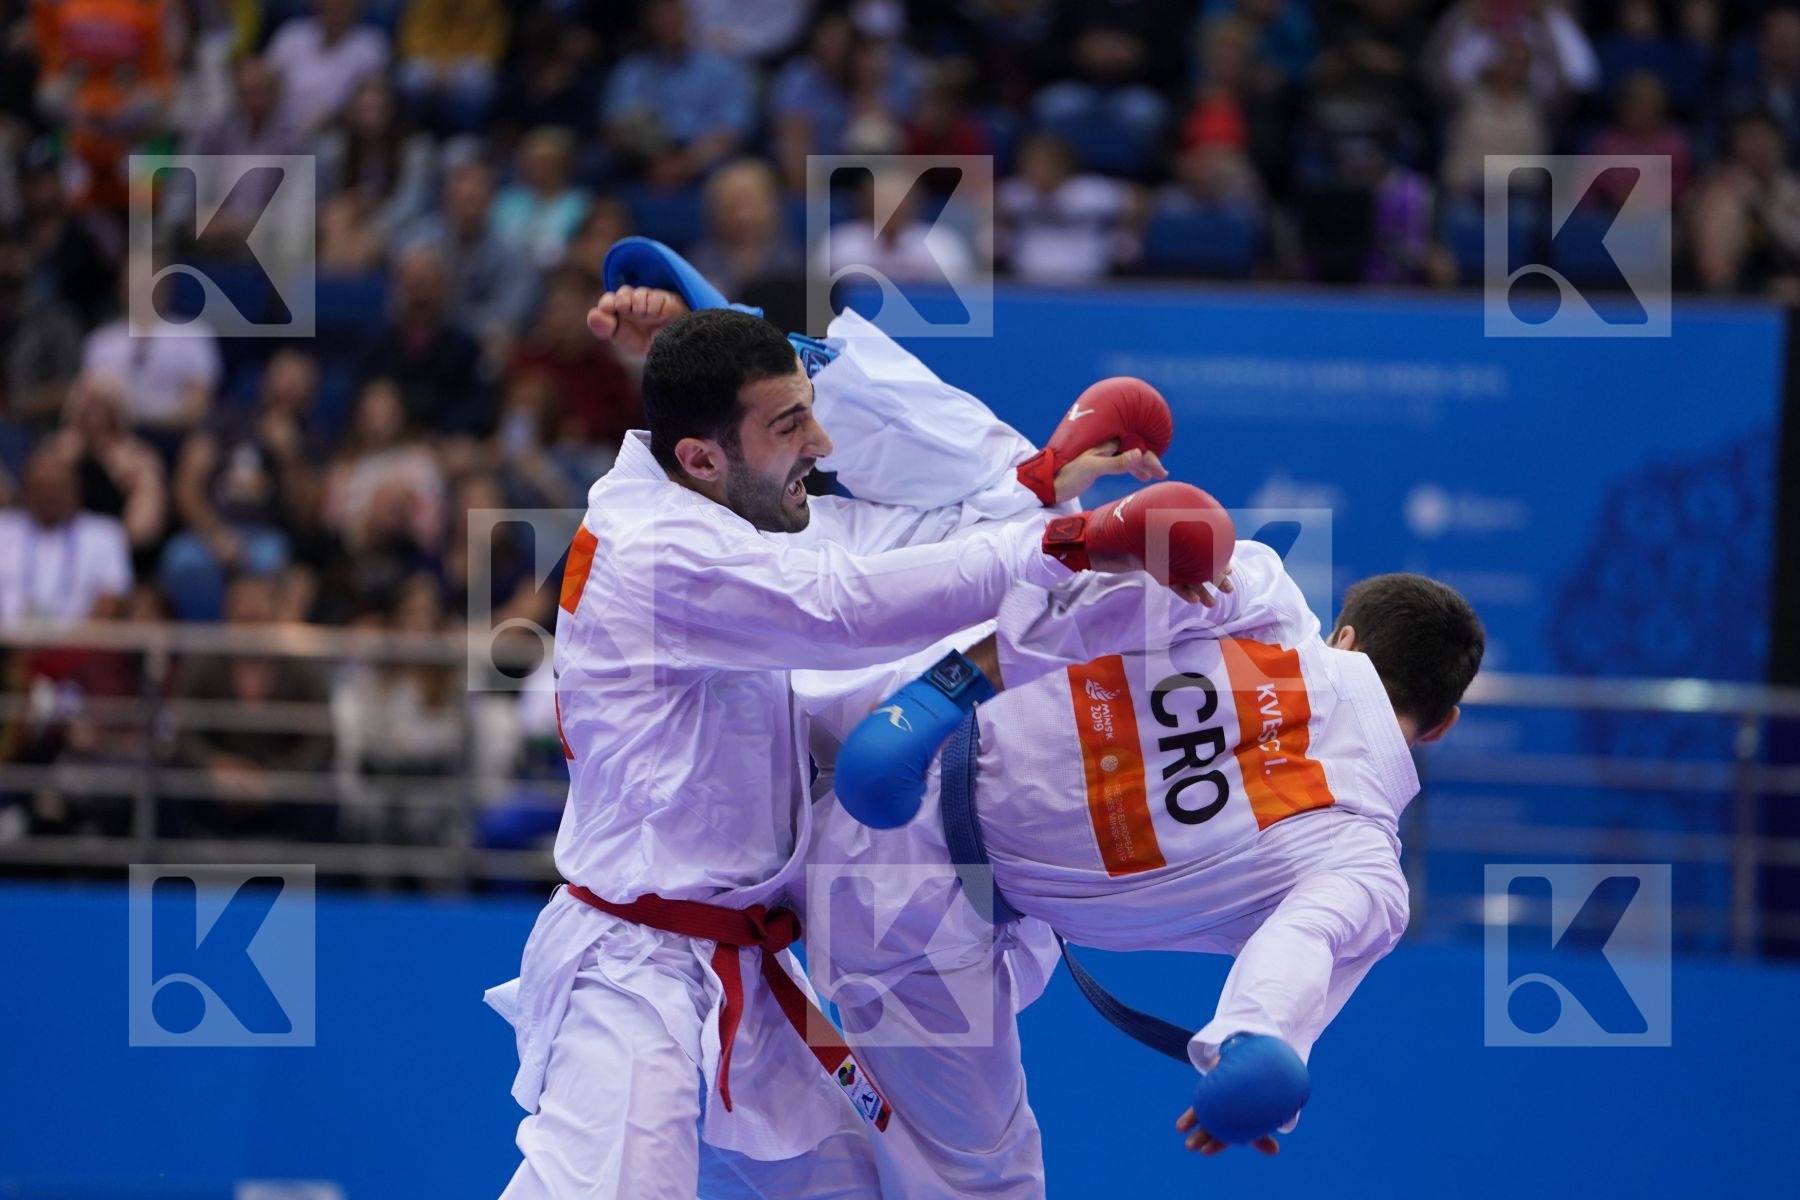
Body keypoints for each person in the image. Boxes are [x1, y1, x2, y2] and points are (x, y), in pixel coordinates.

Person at [487, 243, 1218, 1198]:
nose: (821, 447)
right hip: (635, 976)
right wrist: (1067, 540)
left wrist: (1037, 493)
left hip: (741, 970)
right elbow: (850, 607)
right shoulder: (665, 553)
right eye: (791, 423)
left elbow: (892, 554)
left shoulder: (723, 506)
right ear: (704, 456)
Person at [790, 544, 1483, 1195]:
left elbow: (1107, 594)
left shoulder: (1268, 597)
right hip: (917, 911)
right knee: (975, 1179)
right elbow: (1300, 946)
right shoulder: (1363, 868)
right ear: (1445, 724)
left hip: (905, 706)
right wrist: (1252, 1037)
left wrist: (940, 692)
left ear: (1347, 637)